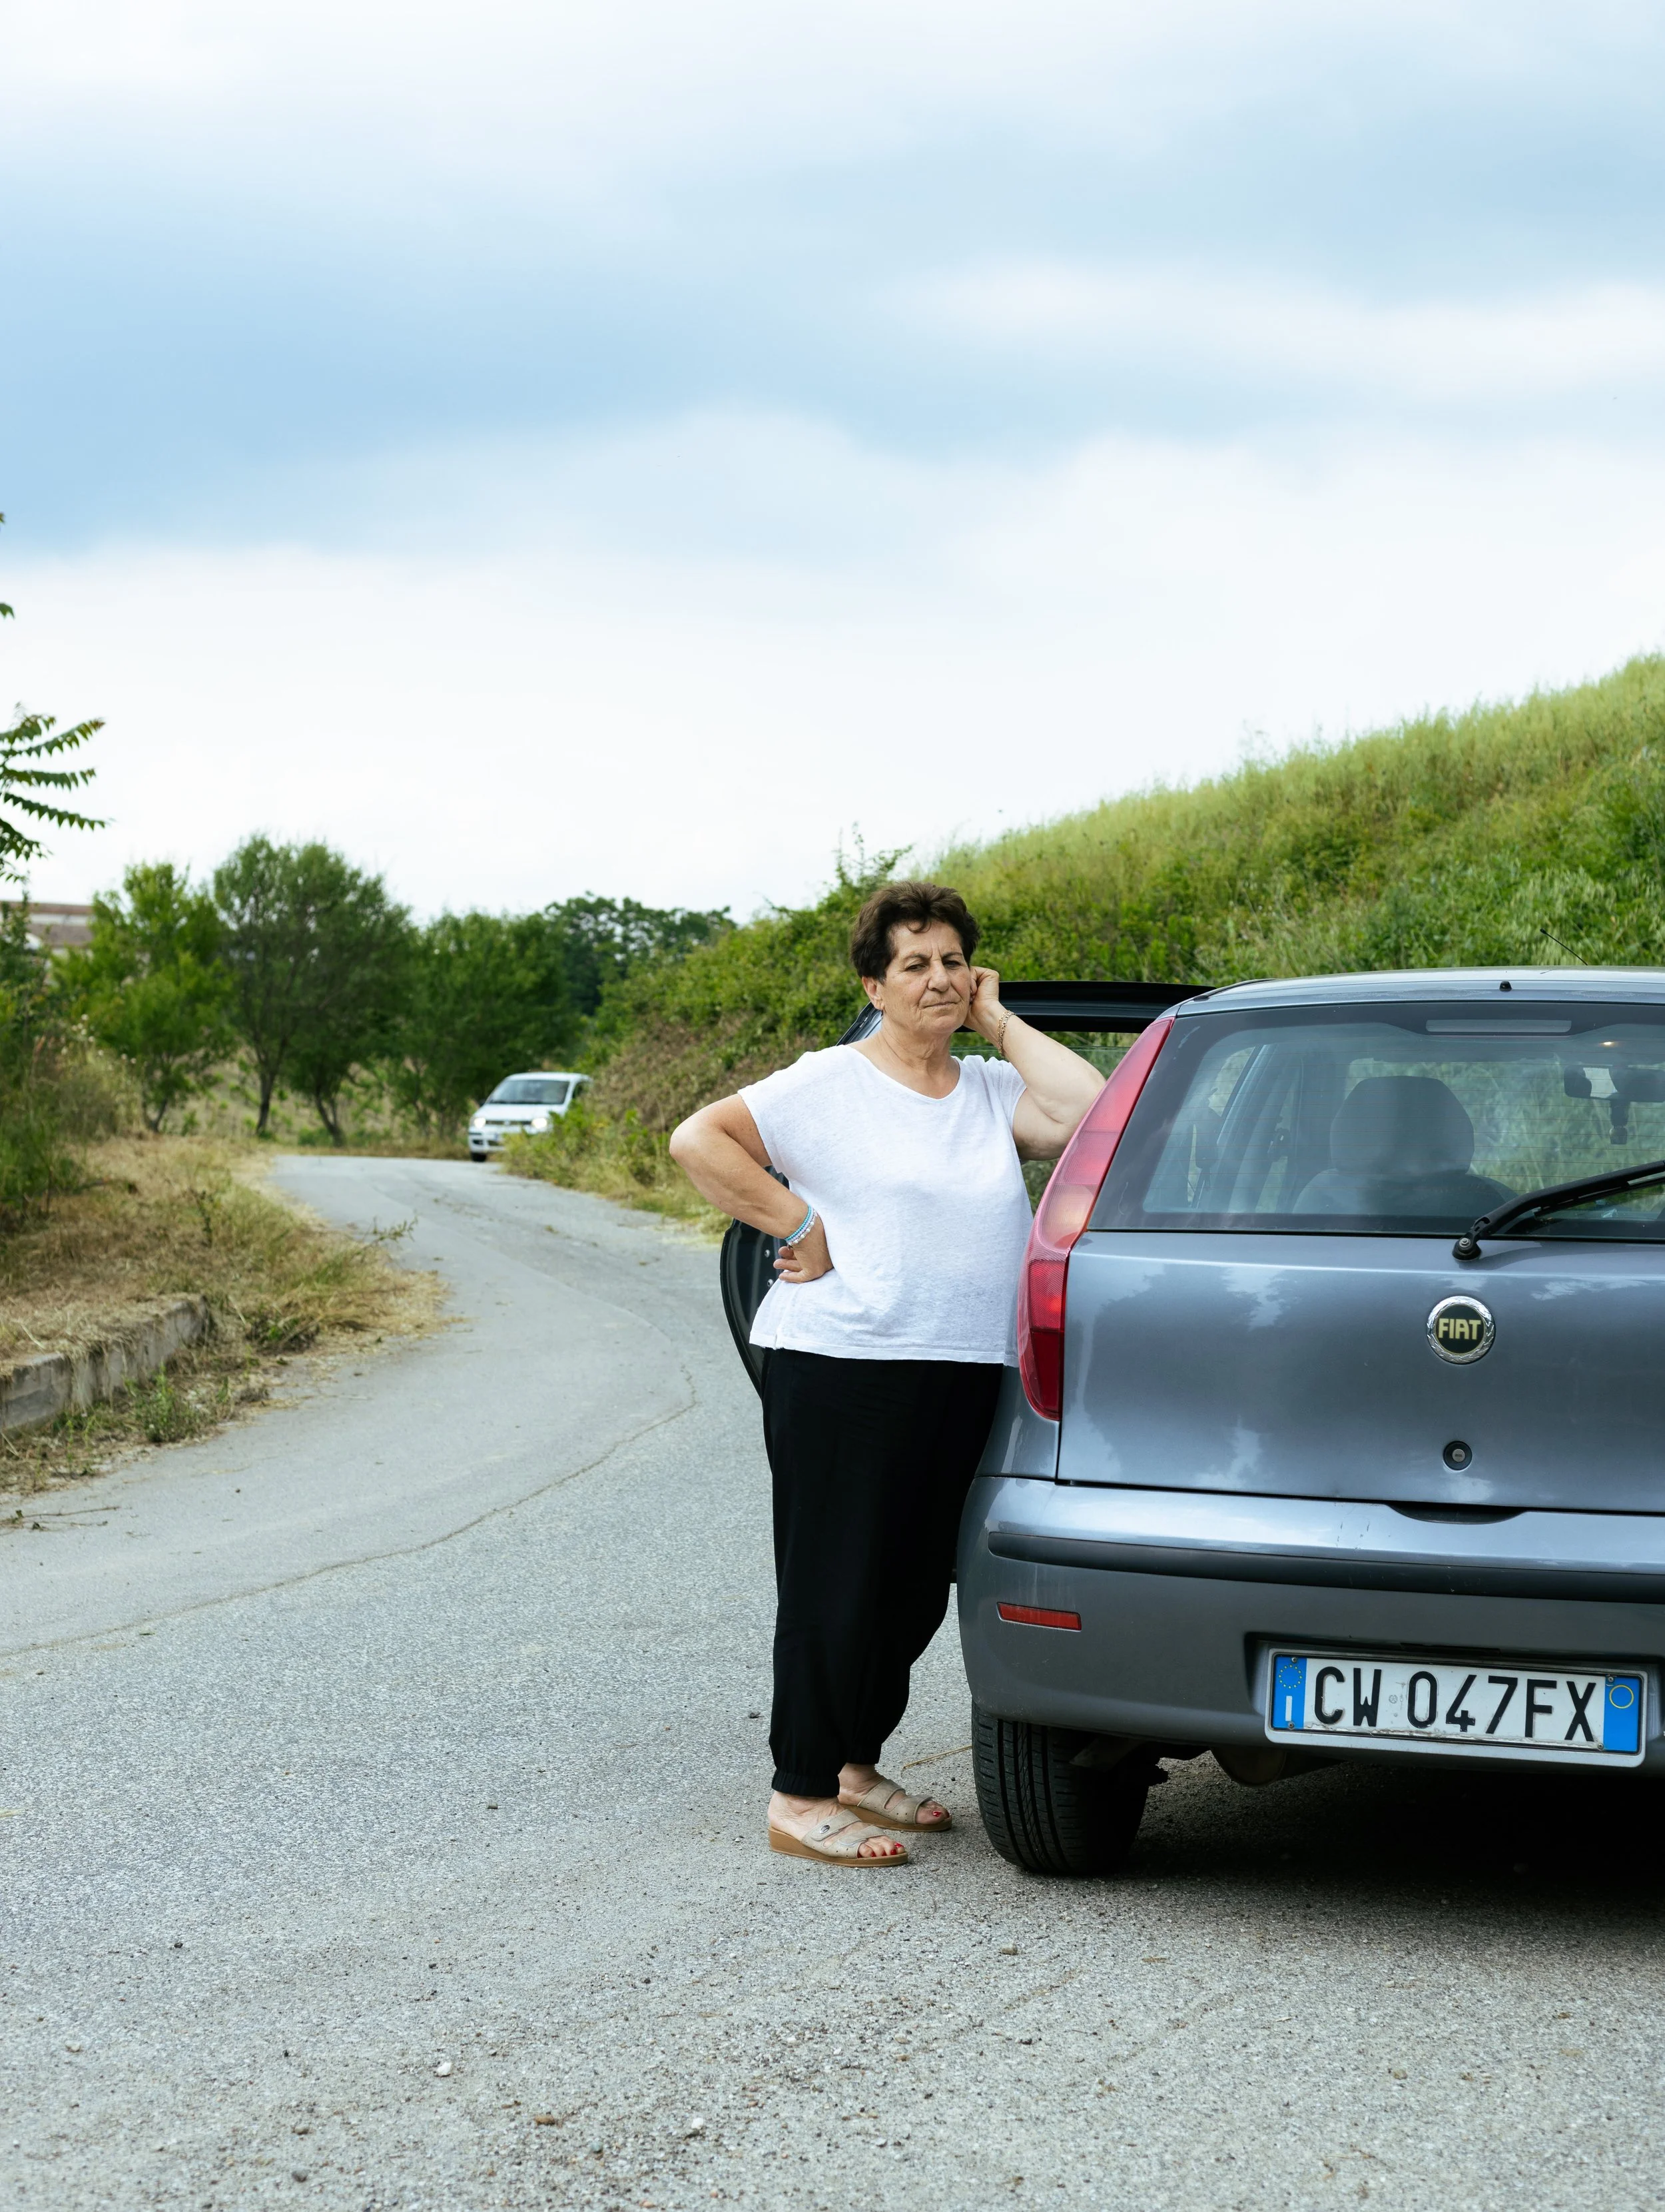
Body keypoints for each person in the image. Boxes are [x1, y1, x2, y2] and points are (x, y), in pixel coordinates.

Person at [669, 880, 1106, 1865]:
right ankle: (799, 1791)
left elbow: (1088, 1111)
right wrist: (798, 1224)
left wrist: (1000, 1020)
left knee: (913, 1586)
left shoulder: (992, 1090)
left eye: (954, 960)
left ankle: (856, 1767)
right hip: (843, 1362)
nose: (939, 979)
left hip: (963, 1369)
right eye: (916, 964)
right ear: (876, 982)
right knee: (837, 1578)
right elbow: (699, 1139)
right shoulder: (829, 1082)